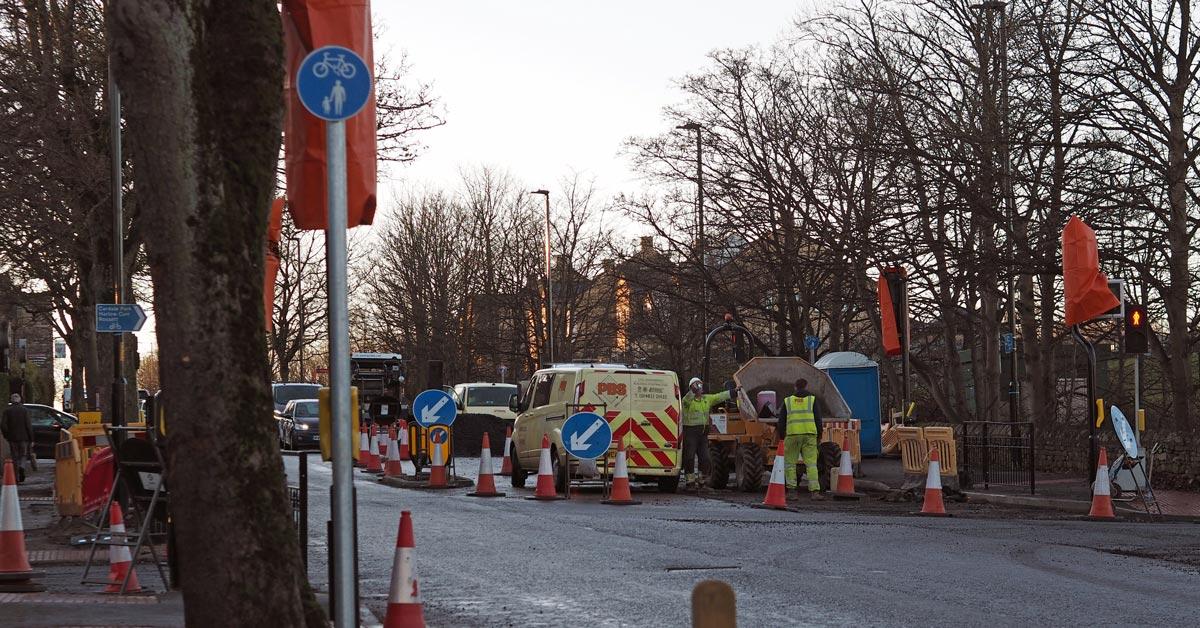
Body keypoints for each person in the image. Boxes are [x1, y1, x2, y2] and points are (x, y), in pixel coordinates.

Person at [680, 377, 736, 490]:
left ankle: (702, 481)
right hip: (690, 432)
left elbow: (719, 396)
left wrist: (733, 391)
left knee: (705, 458)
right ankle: (690, 482)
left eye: (700, 385)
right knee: (689, 457)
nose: (700, 388)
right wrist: (693, 391)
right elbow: (686, 400)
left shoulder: (706, 399)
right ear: (692, 388)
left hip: (703, 433)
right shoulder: (687, 401)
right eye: (697, 386)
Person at [778, 378, 824, 500]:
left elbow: (781, 421)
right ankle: (815, 492)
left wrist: (782, 437)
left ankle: (792, 492)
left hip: (792, 435)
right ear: (806, 386)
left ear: (795, 387)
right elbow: (818, 419)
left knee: (790, 464)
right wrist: (819, 435)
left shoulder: (788, 401)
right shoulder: (812, 400)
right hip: (809, 435)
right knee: (811, 464)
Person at [1, 393, 34, 482]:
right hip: (24, 437)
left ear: (11, 400)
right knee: (23, 455)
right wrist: (31, 438)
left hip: (12, 438)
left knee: (14, 457)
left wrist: (6, 435)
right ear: (19, 400)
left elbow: (3, 425)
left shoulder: (7, 411)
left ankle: (16, 477)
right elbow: (28, 425)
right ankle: (22, 467)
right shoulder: (24, 410)